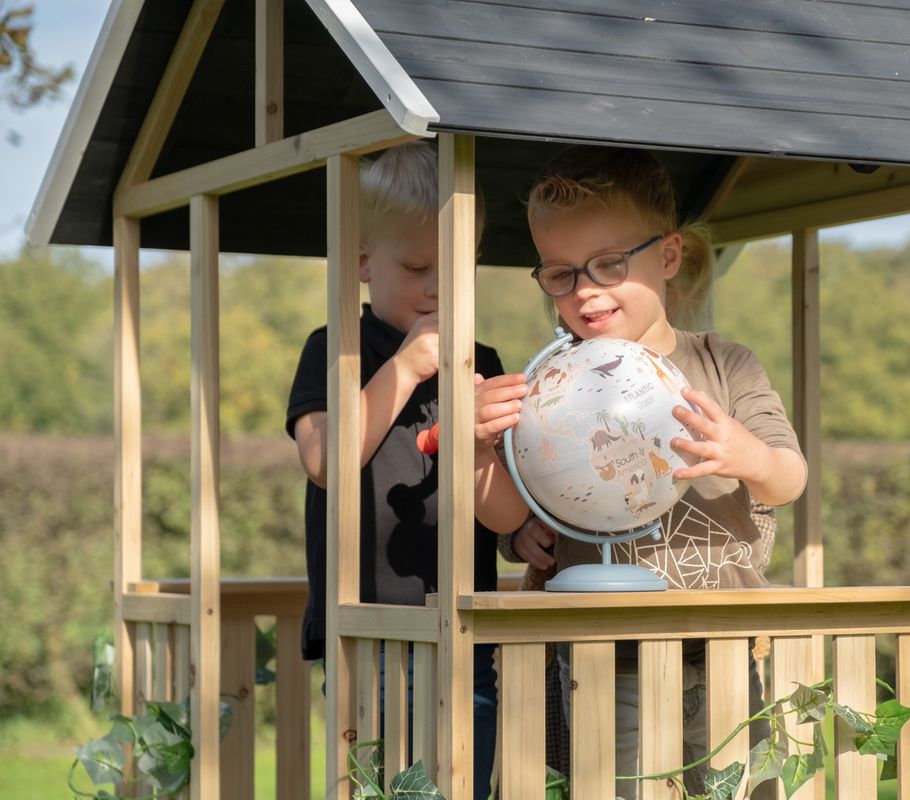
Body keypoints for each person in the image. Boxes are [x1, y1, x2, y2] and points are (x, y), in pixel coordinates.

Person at [473, 146, 808, 798]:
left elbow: (790, 479)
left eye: (608, 264)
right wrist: (480, 452)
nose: (586, 290)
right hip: (608, 658)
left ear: (669, 256)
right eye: (561, 274)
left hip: (725, 652)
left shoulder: (725, 365)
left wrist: (753, 458)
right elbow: (512, 516)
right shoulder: (552, 386)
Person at [285, 141, 503, 800]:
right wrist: (405, 367)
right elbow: (326, 459)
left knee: (466, 782)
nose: (439, 288)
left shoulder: (481, 358)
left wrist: (519, 529)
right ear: (360, 264)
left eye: (457, 267)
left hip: (468, 631)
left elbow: (504, 491)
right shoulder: (337, 348)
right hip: (370, 633)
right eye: (416, 266)